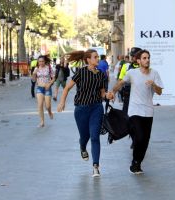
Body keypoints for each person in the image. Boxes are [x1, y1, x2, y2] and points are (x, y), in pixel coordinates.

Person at [107, 49, 164, 174]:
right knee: (139, 137)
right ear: (138, 61)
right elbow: (121, 83)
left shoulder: (154, 73)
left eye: (148, 57)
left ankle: (137, 163)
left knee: (145, 140)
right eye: (144, 58)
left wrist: (153, 85)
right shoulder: (132, 73)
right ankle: (135, 162)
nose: (147, 60)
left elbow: (159, 92)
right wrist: (113, 92)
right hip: (134, 110)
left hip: (148, 111)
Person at [57, 49, 108, 178]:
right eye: (95, 57)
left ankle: (95, 166)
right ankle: (82, 147)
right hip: (81, 109)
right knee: (85, 136)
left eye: (97, 57)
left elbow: (103, 94)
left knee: (95, 136)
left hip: (97, 108)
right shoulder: (81, 73)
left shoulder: (101, 74)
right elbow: (67, 88)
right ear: (88, 60)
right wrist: (62, 102)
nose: (98, 59)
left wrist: (109, 95)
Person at [32, 55, 55, 127]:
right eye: (39, 61)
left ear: (45, 61)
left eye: (42, 61)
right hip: (39, 88)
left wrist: (49, 84)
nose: (41, 63)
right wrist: (34, 73)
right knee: (40, 105)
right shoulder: (36, 69)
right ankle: (42, 122)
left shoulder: (49, 68)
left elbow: (53, 78)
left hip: (47, 88)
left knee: (47, 106)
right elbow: (33, 80)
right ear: (38, 62)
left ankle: (50, 112)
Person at [118, 47, 142, 114]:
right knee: (126, 116)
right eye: (131, 55)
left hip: (140, 97)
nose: (132, 57)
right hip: (128, 95)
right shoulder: (125, 66)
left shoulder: (144, 67)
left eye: (134, 56)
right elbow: (120, 81)